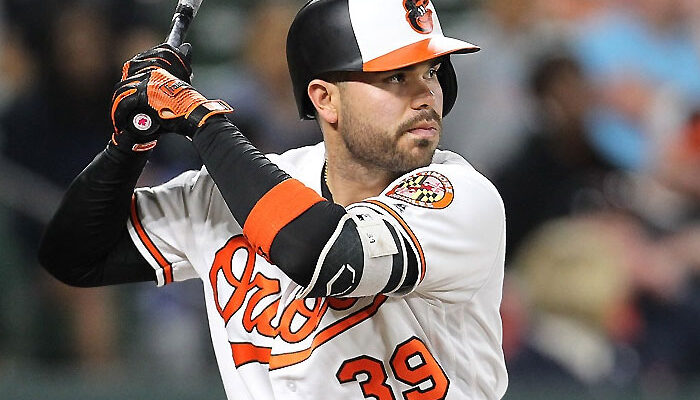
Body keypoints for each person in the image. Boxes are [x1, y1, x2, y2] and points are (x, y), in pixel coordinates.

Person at [39, 1, 508, 398]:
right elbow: (74, 257)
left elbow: (326, 256)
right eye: (396, 77)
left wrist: (202, 120)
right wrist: (130, 141)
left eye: (432, 72)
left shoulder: (461, 196)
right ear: (325, 99)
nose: (427, 94)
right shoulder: (235, 192)